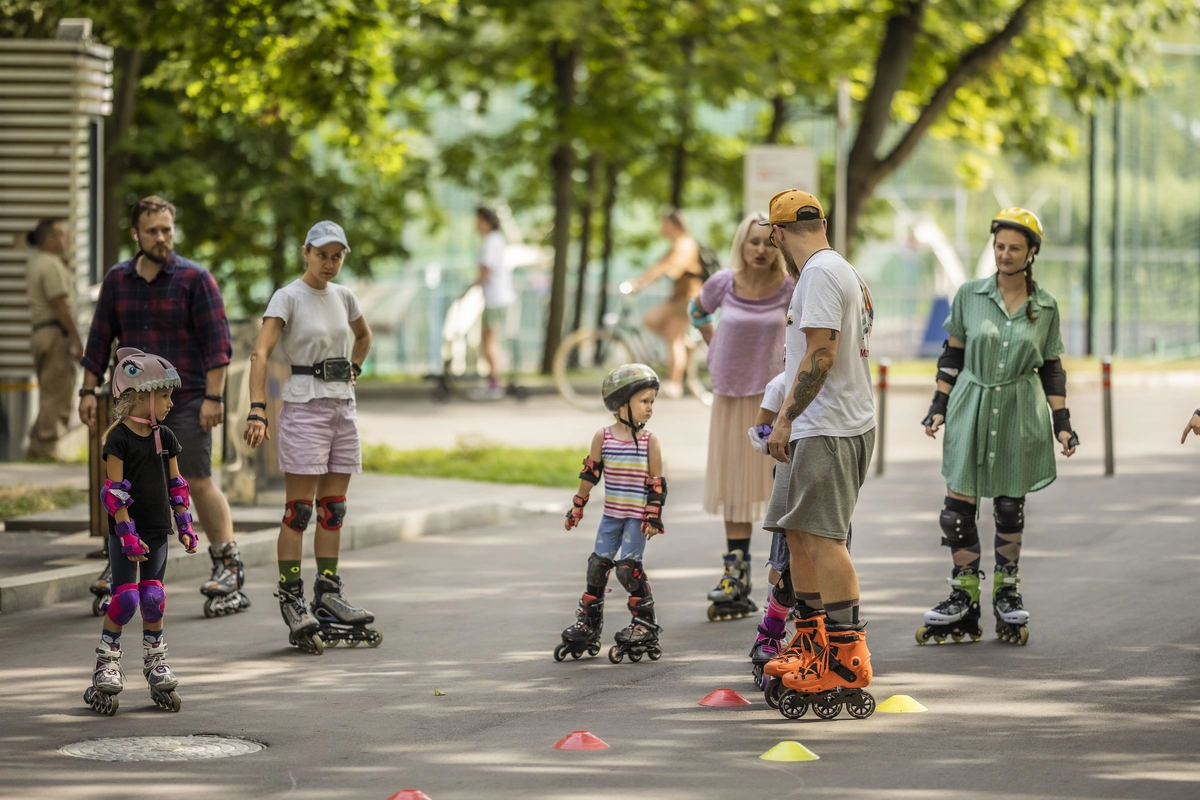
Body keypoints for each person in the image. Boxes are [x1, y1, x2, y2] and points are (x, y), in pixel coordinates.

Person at [78, 196, 246, 618]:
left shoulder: (195, 279)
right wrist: (85, 390)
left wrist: (214, 397)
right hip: (131, 407)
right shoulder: (118, 281)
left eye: (167, 229)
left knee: (196, 478)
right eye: (152, 230)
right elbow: (99, 340)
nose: (161, 238)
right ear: (136, 234)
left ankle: (227, 564)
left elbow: (217, 346)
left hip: (184, 400)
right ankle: (122, 556)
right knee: (126, 482)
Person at [919, 208, 1078, 647]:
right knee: (957, 508)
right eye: (999, 246)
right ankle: (963, 593)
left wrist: (1062, 423)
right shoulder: (969, 294)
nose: (1005, 254)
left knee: (1009, 506)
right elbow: (951, 356)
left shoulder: (1044, 307)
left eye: (1014, 248)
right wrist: (938, 406)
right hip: (971, 405)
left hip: (1019, 409)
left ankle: (1007, 590)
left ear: (1031, 253)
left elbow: (1051, 368)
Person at [760, 188, 878, 720]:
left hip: (827, 427)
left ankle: (847, 655)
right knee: (797, 533)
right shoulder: (836, 270)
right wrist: (779, 410)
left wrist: (785, 418)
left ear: (779, 234)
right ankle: (811, 643)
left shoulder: (819, 275)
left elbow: (822, 353)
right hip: (815, 426)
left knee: (825, 539)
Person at [243, 220, 379, 655]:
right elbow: (260, 352)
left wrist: (352, 370)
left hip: (342, 406)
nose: (330, 263)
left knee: (333, 509)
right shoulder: (288, 296)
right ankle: (291, 595)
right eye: (322, 254)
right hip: (303, 406)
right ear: (306, 252)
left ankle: (328, 592)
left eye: (337, 255)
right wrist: (257, 407)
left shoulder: (344, 296)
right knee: (299, 511)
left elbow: (364, 336)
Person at [689, 212, 793, 621]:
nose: (761, 250)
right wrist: (713, 345)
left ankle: (785, 575)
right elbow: (697, 312)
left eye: (769, 242)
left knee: (777, 487)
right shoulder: (723, 283)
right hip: (730, 395)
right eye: (753, 242)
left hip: (773, 401)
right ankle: (736, 574)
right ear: (742, 244)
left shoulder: (790, 286)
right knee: (734, 484)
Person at [83, 348, 198, 715]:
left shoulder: (165, 436)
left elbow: (176, 484)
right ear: (139, 395)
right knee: (126, 599)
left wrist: (184, 524)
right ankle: (107, 662)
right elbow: (114, 494)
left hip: (157, 531)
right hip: (126, 534)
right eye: (163, 395)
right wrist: (126, 534)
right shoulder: (118, 440)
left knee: (153, 597)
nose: (169, 402)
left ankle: (155, 659)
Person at [556, 364, 667, 664]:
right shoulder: (602, 437)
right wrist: (578, 504)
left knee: (627, 569)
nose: (650, 408)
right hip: (611, 516)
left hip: (635, 518)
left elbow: (657, 483)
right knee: (597, 567)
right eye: (644, 401)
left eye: (652, 402)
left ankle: (644, 625)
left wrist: (653, 514)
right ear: (621, 403)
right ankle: (589, 625)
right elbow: (590, 473)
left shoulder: (649, 441)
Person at [623, 210, 706, 399]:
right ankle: (686, 346)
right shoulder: (677, 243)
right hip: (679, 298)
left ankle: (674, 383)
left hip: (687, 299)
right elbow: (659, 265)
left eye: (664, 224)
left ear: (673, 225)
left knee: (672, 338)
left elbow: (670, 267)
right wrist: (640, 281)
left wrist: (640, 283)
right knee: (658, 325)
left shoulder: (685, 244)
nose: (662, 228)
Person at [25, 218, 83, 460]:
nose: (66, 239)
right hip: (53, 332)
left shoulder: (36, 262)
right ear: (49, 239)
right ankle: (46, 449)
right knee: (57, 393)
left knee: (50, 391)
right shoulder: (50, 264)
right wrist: (76, 339)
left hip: (41, 332)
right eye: (62, 235)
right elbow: (60, 304)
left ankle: (38, 446)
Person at [470, 206, 513, 400]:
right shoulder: (496, 240)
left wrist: (469, 289)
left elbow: (485, 269)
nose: (476, 224)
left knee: (488, 342)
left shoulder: (491, 241)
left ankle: (495, 384)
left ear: (486, 221)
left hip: (495, 299)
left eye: (478, 220)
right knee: (488, 341)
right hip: (496, 297)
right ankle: (493, 382)